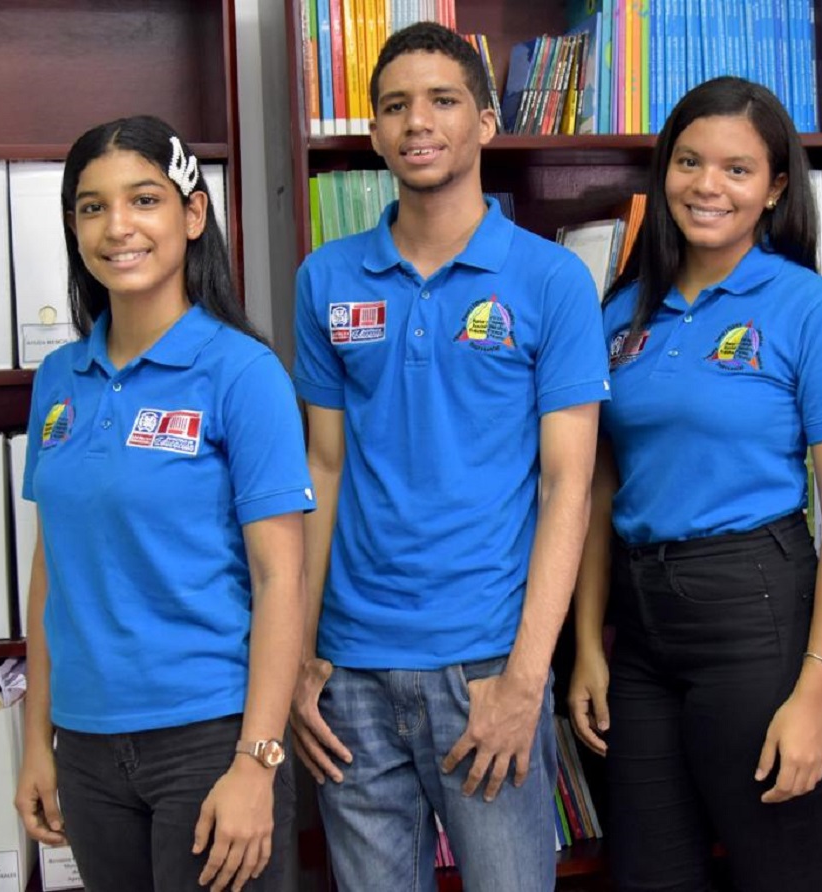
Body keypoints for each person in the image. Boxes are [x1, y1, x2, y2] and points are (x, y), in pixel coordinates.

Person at [288, 21, 610, 892]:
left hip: (486, 669)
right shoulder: (327, 278)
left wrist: (524, 680)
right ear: (375, 131)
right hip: (349, 671)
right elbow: (321, 469)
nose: (416, 122)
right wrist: (301, 656)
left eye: (441, 100)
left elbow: (567, 485)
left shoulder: (549, 281)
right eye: (394, 106)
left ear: (486, 120)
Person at [567, 76, 822, 892]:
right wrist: (591, 648)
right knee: (649, 875)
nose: (707, 186)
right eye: (689, 162)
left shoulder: (813, 310)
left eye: (738, 169)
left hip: (754, 611)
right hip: (640, 631)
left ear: (777, 186)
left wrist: (817, 691)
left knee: (776, 872)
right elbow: (600, 493)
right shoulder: (621, 315)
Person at [12, 115, 314, 892]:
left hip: (209, 740)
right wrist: (36, 739)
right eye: (90, 206)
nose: (118, 227)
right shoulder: (58, 378)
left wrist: (258, 760)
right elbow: (53, 566)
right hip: (85, 744)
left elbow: (283, 578)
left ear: (192, 214)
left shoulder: (243, 374)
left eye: (143, 199)